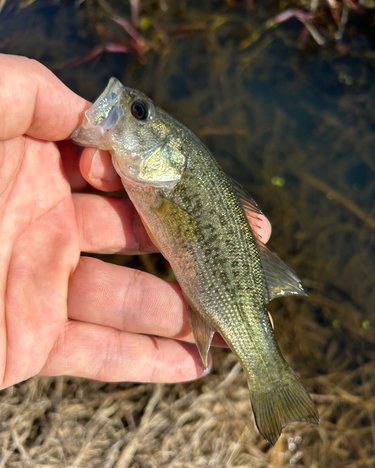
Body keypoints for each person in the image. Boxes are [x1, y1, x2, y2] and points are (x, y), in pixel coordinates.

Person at [0, 54, 271, 389]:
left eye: (138, 112)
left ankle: (268, 377)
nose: (129, 109)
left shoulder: (170, 181)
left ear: (171, 156)